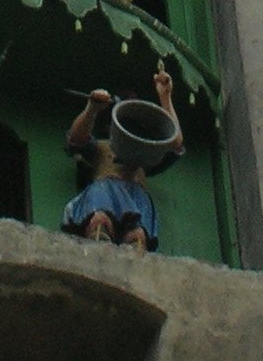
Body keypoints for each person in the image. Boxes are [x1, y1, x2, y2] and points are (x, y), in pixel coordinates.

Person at [60, 67, 183, 252]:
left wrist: (165, 97)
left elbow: (174, 143)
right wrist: (92, 109)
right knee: (100, 212)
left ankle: (134, 243)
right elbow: (76, 139)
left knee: (137, 232)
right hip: (106, 190)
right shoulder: (103, 147)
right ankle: (100, 231)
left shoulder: (145, 155)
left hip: (137, 198)